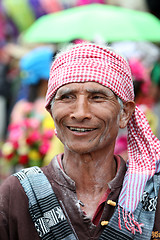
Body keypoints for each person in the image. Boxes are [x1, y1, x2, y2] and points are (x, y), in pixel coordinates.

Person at [0, 43, 160, 240]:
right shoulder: (17, 194)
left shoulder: (151, 195)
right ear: (51, 111)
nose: (80, 113)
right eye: (67, 97)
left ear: (125, 113)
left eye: (97, 97)